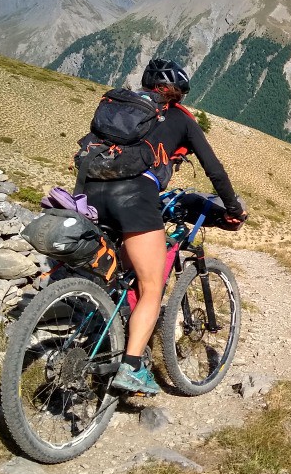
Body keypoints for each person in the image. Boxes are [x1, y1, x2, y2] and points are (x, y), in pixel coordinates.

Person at [80, 58, 246, 395]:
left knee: (121, 272)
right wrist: (233, 209)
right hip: (134, 198)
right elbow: (214, 170)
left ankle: (107, 330)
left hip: (89, 191)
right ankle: (131, 367)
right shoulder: (181, 119)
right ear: (177, 94)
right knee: (152, 285)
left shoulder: (119, 106)